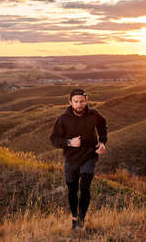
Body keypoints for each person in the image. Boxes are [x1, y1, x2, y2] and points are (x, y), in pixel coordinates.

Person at [50, 88, 107, 230]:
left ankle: (81, 219)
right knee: (72, 190)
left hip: (90, 156)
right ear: (70, 102)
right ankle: (75, 218)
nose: (79, 104)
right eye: (76, 102)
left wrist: (102, 142)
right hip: (71, 159)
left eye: (82, 101)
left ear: (86, 101)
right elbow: (54, 139)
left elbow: (103, 128)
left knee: (85, 187)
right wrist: (69, 142)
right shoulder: (63, 119)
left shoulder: (94, 115)